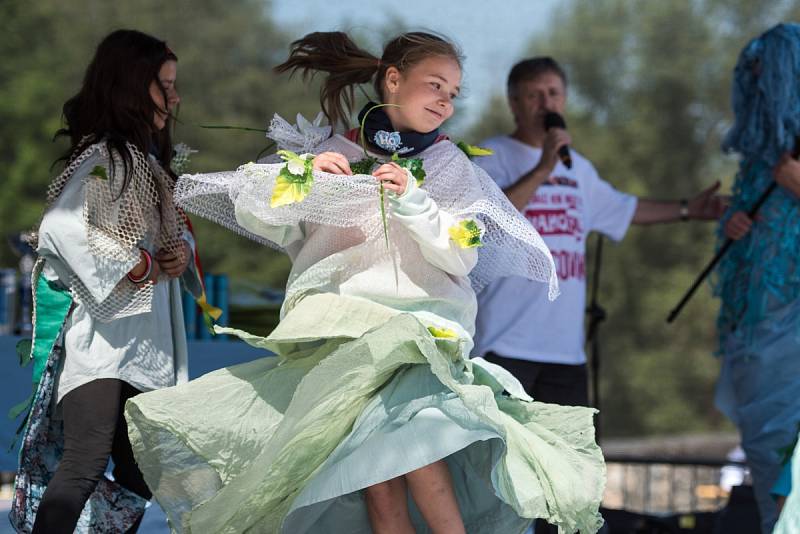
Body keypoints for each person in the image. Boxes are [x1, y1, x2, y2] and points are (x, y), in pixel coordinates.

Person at [124, 31, 606, 533]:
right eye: (435, 85)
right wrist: (308, 175)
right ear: (393, 80)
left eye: (453, 93)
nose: (445, 101)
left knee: (419, 447)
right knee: (374, 474)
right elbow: (260, 211)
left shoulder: (447, 164)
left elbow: (463, 252)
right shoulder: (331, 152)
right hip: (347, 340)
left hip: (417, 336)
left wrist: (415, 201)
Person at [9, 29, 202, 533]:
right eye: (165, 85)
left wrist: (181, 254)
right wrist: (135, 264)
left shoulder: (146, 163)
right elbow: (60, 227)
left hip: (143, 346)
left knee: (140, 473)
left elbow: (168, 237)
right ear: (131, 88)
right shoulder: (105, 160)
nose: (175, 97)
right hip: (101, 345)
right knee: (85, 461)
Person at [472, 57, 725, 409]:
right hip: (505, 344)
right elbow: (494, 218)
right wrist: (545, 167)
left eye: (553, 93)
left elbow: (625, 208)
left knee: (570, 460)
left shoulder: (581, 170)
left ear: (565, 99)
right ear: (514, 103)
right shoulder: (491, 156)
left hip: (565, 352)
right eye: (534, 95)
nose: (546, 104)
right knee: (501, 458)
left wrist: (687, 210)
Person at [713, 23, 800, 533]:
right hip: (755, 328)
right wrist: (734, 223)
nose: (758, 80)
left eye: (770, 71)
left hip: (789, 327)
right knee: (770, 456)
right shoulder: (757, 158)